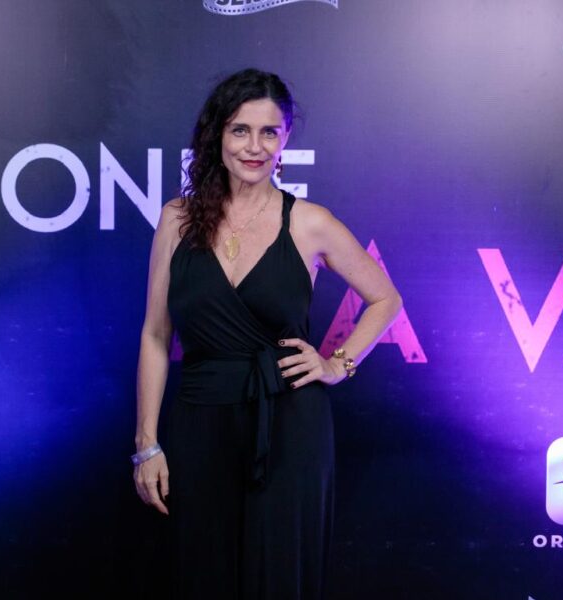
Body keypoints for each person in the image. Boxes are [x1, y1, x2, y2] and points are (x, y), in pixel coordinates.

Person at [132, 68, 403, 599]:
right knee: (203, 577)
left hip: (289, 427)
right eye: (240, 130)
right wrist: (146, 444)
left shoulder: (310, 222)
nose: (254, 147)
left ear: (285, 140)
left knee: (279, 579)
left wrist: (337, 364)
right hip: (200, 421)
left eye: (269, 132)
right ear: (217, 134)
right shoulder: (177, 220)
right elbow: (155, 335)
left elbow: (386, 299)